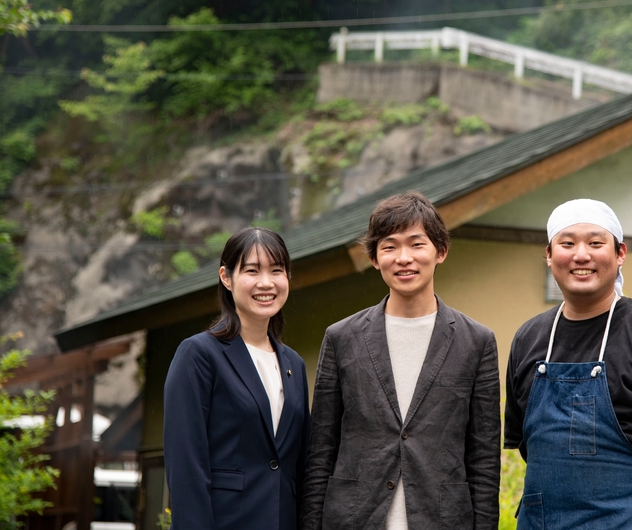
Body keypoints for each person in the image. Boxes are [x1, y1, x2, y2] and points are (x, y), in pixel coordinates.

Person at [504, 199, 632, 530]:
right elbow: (529, 442)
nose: (581, 255)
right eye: (567, 243)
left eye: (596, 243)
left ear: (620, 254)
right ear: (548, 254)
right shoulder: (529, 338)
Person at [301, 191, 501, 530]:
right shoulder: (341, 338)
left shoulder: (476, 341)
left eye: (416, 244)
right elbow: (321, 450)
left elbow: (483, 458)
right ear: (375, 259)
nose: (403, 258)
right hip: (353, 519)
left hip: (443, 519)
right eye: (390, 247)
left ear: (441, 251)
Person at [164, 227, 310, 530]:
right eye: (252, 271)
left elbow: (299, 465)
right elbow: (186, 466)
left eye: (276, 270)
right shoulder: (199, 354)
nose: (266, 283)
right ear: (226, 277)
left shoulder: (293, 364)